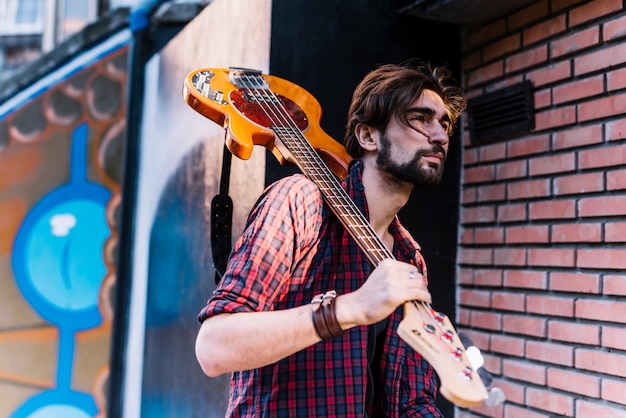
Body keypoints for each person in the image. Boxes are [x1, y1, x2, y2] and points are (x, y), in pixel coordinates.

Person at [195, 61, 466, 417]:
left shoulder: (408, 258)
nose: (440, 136)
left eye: (444, 123)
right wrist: (348, 308)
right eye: (420, 118)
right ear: (369, 136)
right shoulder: (300, 203)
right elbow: (214, 348)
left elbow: (410, 401)